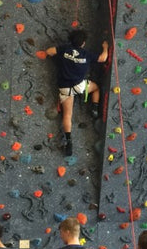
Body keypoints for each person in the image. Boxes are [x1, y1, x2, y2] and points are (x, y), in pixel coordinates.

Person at [45, 29, 109, 157]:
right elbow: (103, 58)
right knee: (96, 88)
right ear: (83, 43)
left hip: (65, 89)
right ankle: (95, 108)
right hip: (79, 86)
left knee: (67, 115)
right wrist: (105, 47)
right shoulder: (87, 54)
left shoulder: (64, 49)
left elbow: (49, 51)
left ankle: (68, 141)